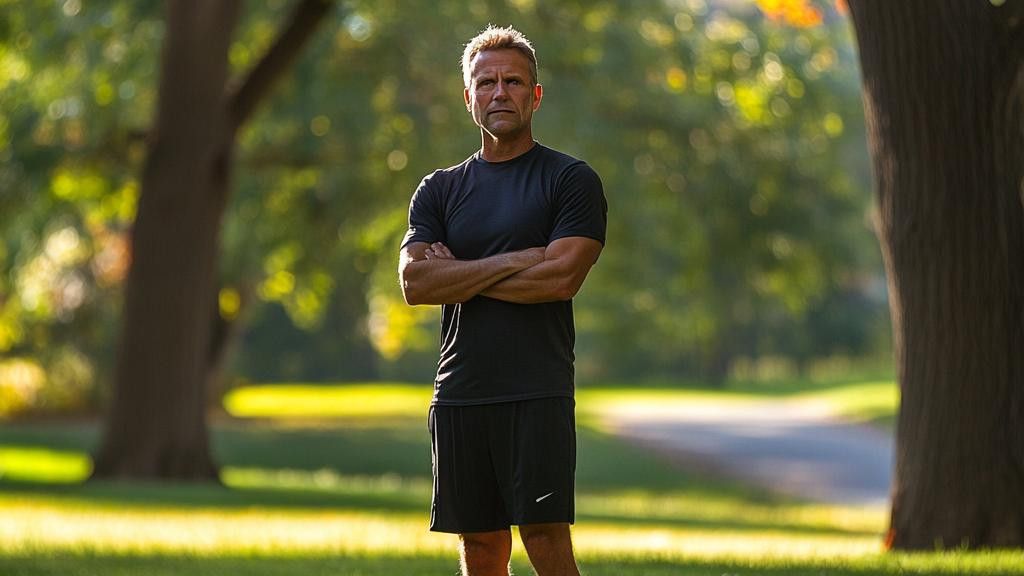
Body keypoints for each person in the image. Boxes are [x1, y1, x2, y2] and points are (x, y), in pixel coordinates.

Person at [398, 24, 607, 576]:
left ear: (535, 94)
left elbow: (561, 278)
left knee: (545, 540)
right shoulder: (438, 189)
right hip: (461, 391)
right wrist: (519, 258)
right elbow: (415, 284)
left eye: (513, 81)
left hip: (536, 389)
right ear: (468, 96)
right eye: (485, 82)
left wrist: (458, 273)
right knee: (481, 548)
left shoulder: (570, 180)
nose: (499, 92)